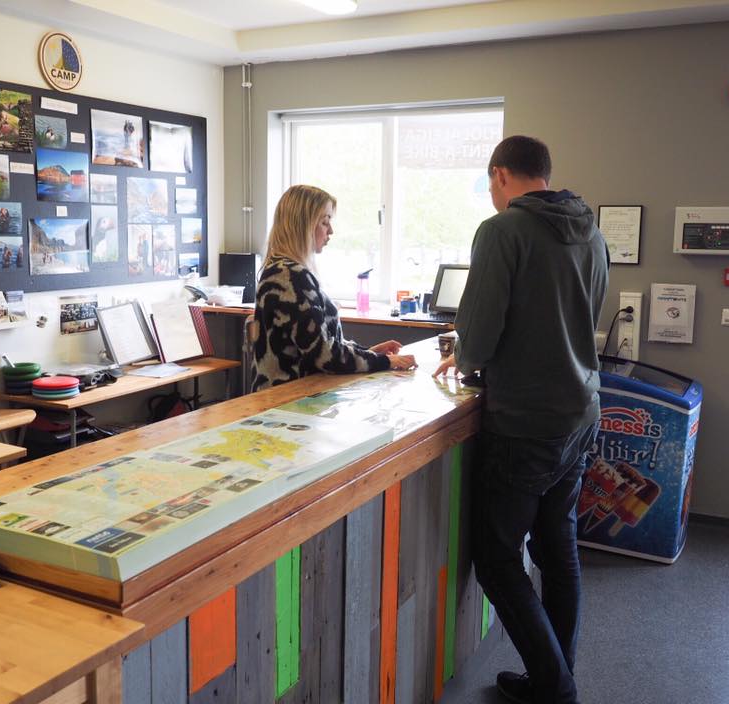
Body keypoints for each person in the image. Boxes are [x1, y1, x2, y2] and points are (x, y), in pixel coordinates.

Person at [433, 136, 608, 704]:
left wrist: (465, 355)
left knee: (497, 559)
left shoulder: (502, 230)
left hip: (526, 421)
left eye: (490, 183)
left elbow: (480, 336)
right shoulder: (591, 230)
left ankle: (554, 687)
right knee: (558, 549)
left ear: (500, 174)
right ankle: (556, 675)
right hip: (580, 411)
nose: (491, 193)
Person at [251, 184, 416, 392]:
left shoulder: (286, 270)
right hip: (287, 397)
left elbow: (322, 345)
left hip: (294, 393)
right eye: (324, 222)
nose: (330, 231)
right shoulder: (290, 276)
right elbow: (326, 356)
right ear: (304, 225)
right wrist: (384, 361)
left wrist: (371, 353)